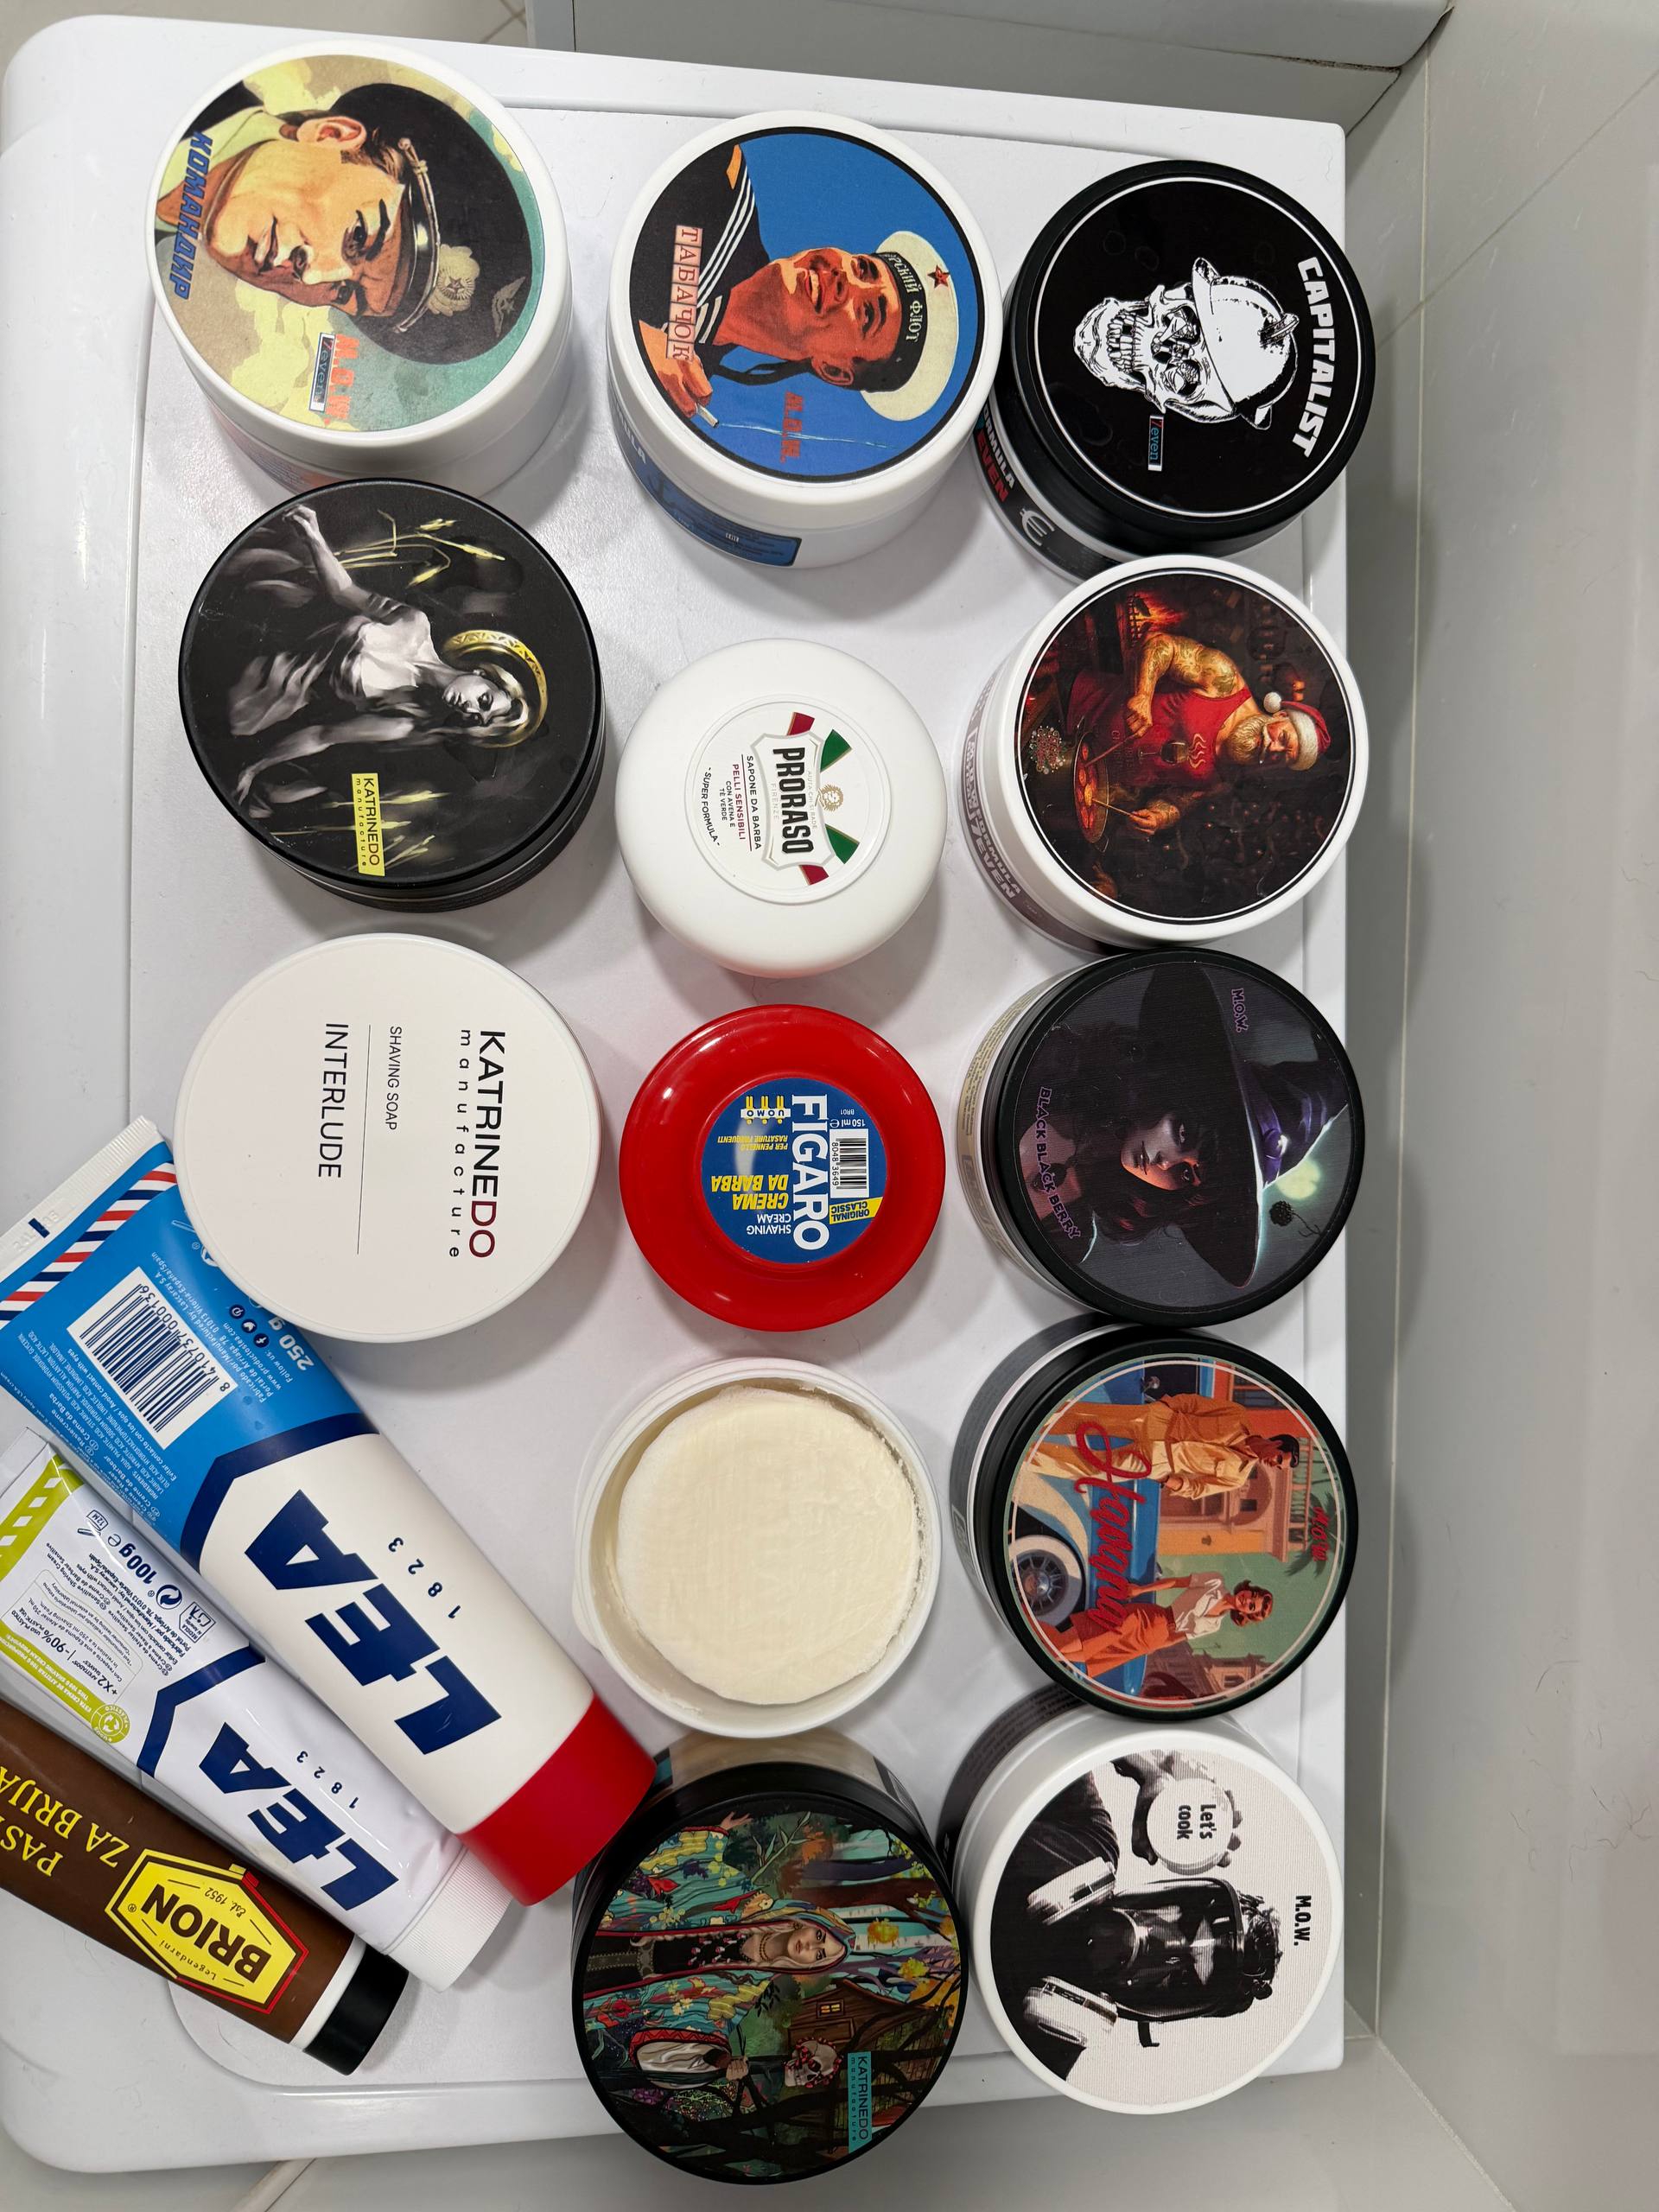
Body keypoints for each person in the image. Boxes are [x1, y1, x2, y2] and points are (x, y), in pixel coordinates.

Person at [1014, 957, 1351, 1286]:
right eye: (1184, 1134)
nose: (1166, 1163)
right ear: (1173, 1094)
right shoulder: (1050, 1063)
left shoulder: (1070, 1236)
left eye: (1188, 1175)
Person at [156, 74, 534, 363]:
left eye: (344, 293)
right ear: (331, 135)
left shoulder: (161, 307)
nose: (312, 276)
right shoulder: (173, 82)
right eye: (358, 237)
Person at [220, 501, 544, 819]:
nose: (471, 710)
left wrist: (254, 768)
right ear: (481, 673)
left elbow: (321, 735)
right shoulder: (415, 624)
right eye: (484, 700)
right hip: (265, 629)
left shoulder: (400, 722)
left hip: (260, 701)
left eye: (477, 719)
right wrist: (313, 535)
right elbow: (343, 591)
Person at [630, 138, 962, 424]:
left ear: (832, 371)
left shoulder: (685, 387)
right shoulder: (723, 186)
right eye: (863, 268)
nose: (845, 279)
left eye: (867, 314)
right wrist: (640, 339)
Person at [1047, 627, 1332, 846]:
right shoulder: (1224, 681)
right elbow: (1162, 645)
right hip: (1072, 705)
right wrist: (1143, 695)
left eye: (1284, 757)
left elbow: (1178, 801)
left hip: (1078, 776)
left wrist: (1157, 818)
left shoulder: (1225, 778)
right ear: (1280, 716)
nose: (1274, 748)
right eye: (1284, 739)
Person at [1039, 1571, 1274, 1680]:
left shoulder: (1215, 1626)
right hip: (1148, 1618)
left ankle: (1028, 1625)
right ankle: (1025, 1615)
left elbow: (1178, 1638)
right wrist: (1141, 1590)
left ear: (1246, 1614)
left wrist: (1151, 1648)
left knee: (1069, 1656)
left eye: (1251, 1606)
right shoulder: (1216, 1581)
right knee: (1062, 1646)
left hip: (1150, 1641)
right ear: (1247, 1589)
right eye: (1252, 1595)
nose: (1247, 1600)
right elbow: (1176, 1582)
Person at [583, 1912, 849, 1998]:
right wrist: (717, 1833)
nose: (811, 1947)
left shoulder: (751, 1987)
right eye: (819, 1936)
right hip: (626, 1934)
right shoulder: (755, 1908)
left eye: (820, 1956)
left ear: (810, 1967)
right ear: (808, 1923)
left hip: (627, 1982)